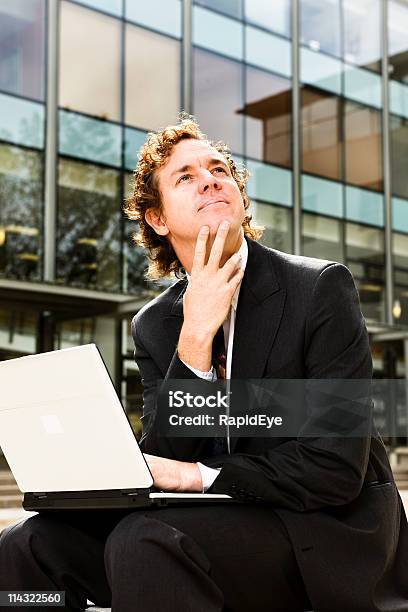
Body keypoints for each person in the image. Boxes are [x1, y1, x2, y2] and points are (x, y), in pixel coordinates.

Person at [0, 114, 407, 612]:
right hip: (210, 522)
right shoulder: (153, 324)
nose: (211, 178)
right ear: (157, 219)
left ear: (238, 193)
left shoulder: (318, 289)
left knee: (146, 541)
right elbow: (167, 448)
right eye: (185, 177)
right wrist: (193, 340)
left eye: (219, 169)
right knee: (26, 545)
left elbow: (334, 468)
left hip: (320, 529)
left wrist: (197, 475)